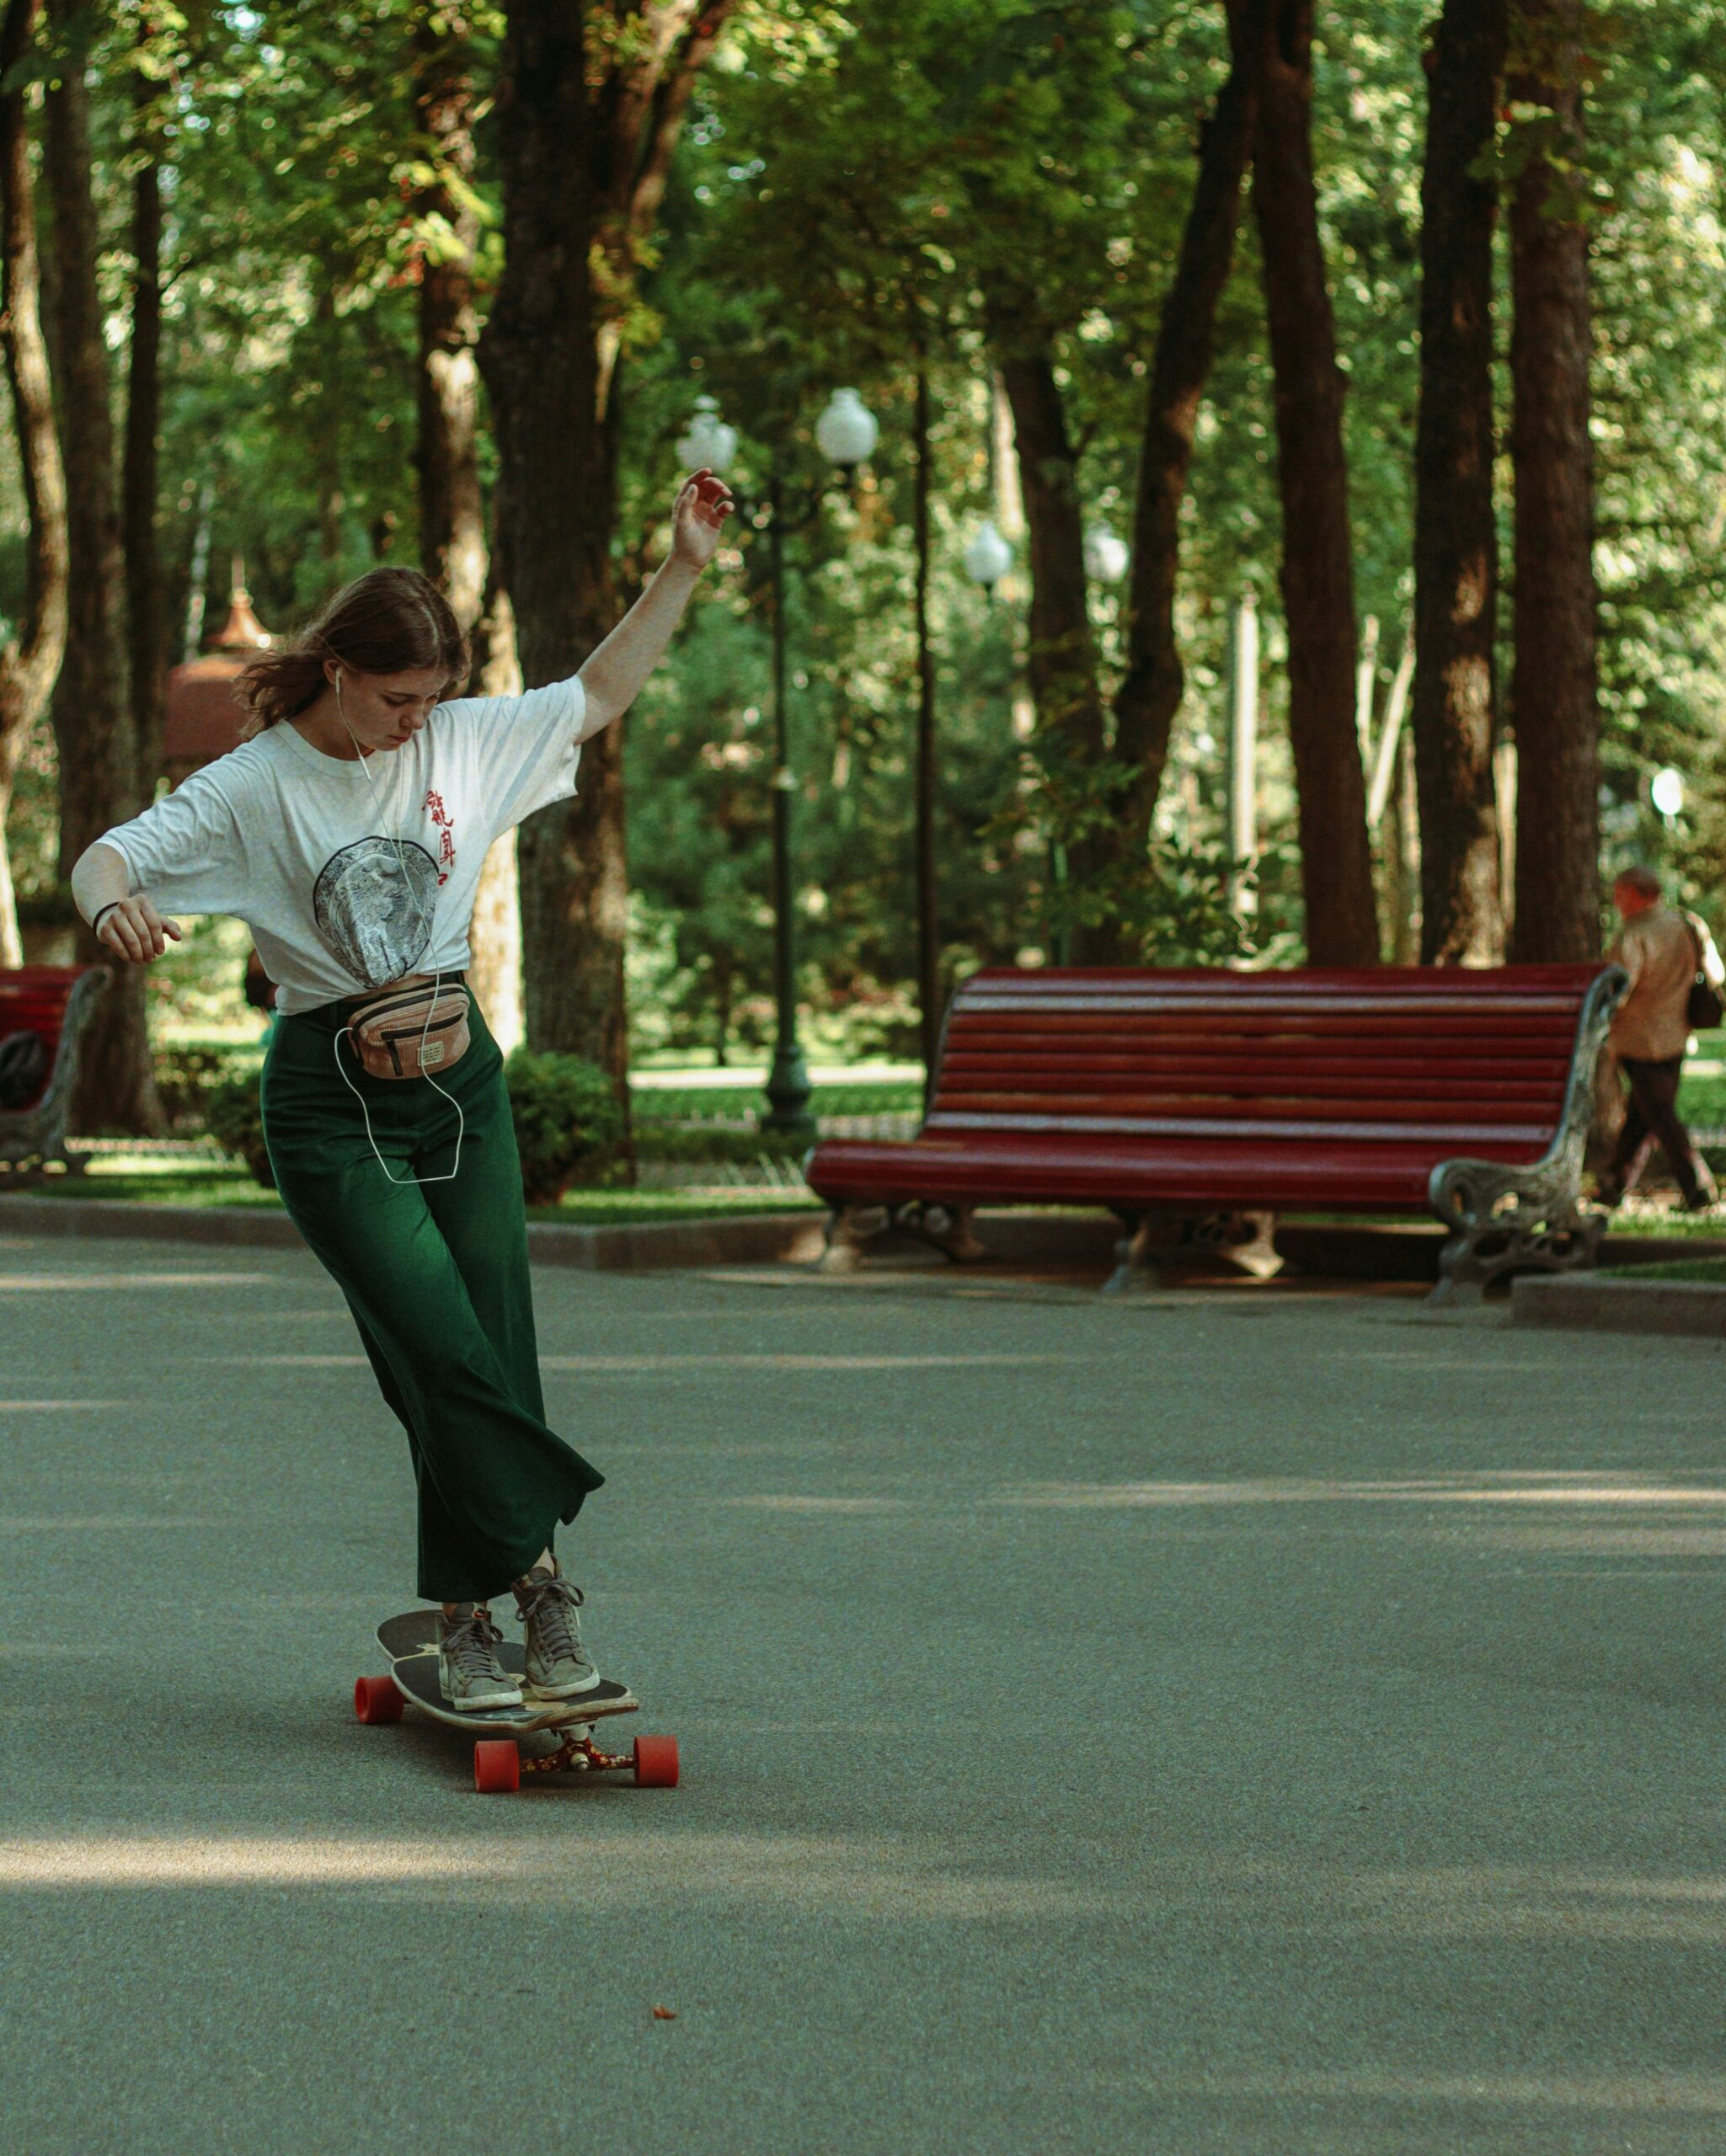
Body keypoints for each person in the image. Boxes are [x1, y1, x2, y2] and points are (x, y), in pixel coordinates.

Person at [70, 469, 733, 1709]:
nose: (415, 723)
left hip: (459, 1084)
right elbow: (108, 852)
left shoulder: (466, 737)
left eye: (431, 699)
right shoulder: (254, 783)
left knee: (487, 1340)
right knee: (434, 1347)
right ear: (337, 672)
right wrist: (113, 905)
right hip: (330, 1101)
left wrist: (683, 563)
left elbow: (596, 692)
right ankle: (540, 1585)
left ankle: (478, 1615)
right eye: (395, 699)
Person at [1599, 863, 1723, 1212]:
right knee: (1643, 1112)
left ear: (1639, 894)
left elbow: (1619, 987)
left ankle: (1698, 1188)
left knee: (1659, 1113)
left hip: (1638, 1039)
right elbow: (1715, 971)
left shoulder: (1634, 933)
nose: (1617, 900)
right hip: (1678, 1034)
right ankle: (1613, 1184)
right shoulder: (1688, 922)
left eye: (1621, 893)